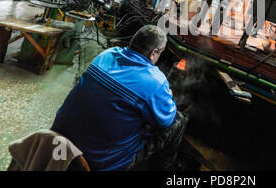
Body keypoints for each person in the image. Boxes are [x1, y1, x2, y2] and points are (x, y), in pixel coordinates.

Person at [51, 25, 188, 171]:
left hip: (57, 142)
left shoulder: (107, 54)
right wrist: (169, 99)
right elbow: (166, 122)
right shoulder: (155, 81)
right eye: (160, 52)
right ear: (154, 52)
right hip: (97, 163)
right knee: (179, 121)